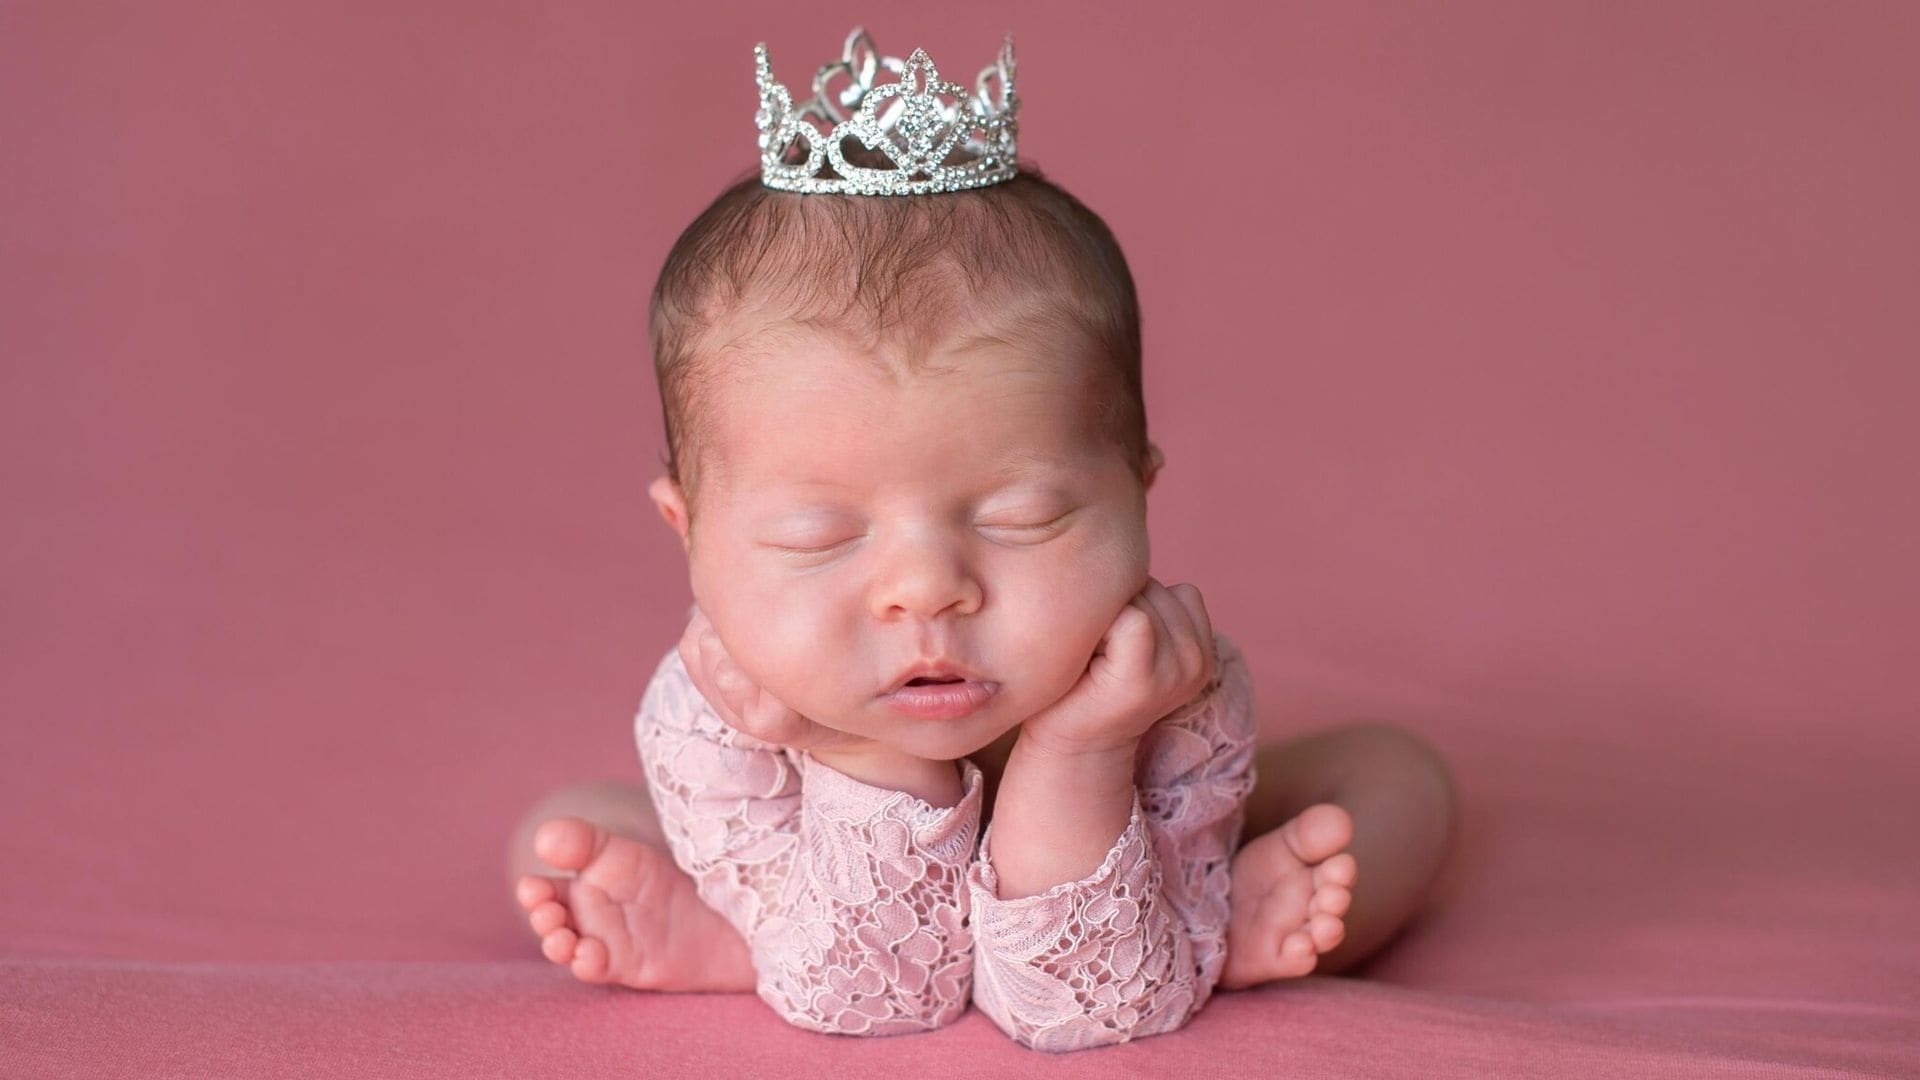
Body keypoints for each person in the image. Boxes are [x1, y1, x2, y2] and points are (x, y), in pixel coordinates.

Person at [506, 28, 1458, 1052]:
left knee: (1398, 779)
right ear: (687, 532)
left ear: (1139, 496)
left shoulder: (1169, 691)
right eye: (818, 535)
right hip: (810, 874)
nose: (926, 591)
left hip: (1119, 876)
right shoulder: (719, 713)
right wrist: (855, 748)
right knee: (565, 836)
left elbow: (1090, 1007)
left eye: (1022, 520)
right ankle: (747, 939)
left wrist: (1079, 749)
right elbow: (882, 997)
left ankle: (1207, 921)